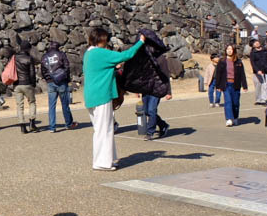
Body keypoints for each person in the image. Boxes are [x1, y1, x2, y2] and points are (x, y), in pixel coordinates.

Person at [83, 28, 146, 170]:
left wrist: (112, 67)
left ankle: (109, 159)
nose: (107, 42)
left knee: (102, 129)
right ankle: (102, 162)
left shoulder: (88, 53)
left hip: (91, 95)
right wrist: (141, 42)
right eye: (105, 39)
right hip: (101, 95)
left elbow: (99, 69)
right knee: (104, 130)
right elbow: (127, 55)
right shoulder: (100, 52)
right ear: (100, 40)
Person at [41, 41, 78, 133]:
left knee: (51, 106)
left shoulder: (44, 56)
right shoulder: (61, 54)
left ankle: (52, 127)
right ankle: (68, 124)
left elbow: (43, 71)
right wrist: (66, 78)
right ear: (57, 47)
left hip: (50, 83)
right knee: (65, 104)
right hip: (61, 82)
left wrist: (48, 79)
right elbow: (67, 67)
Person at [213, 44, 248, 126]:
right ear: (225, 50)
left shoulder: (238, 61)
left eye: (231, 49)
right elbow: (218, 74)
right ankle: (229, 119)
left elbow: (242, 74)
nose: (229, 50)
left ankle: (235, 117)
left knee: (235, 103)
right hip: (226, 84)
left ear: (234, 50)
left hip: (236, 84)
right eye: (228, 49)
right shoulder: (222, 61)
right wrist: (218, 86)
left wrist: (245, 86)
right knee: (228, 101)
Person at [140, 53, 172, 141]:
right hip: (146, 89)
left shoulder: (161, 58)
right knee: (146, 111)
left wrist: (169, 91)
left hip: (157, 88)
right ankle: (163, 125)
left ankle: (150, 133)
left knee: (151, 110)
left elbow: (166, 75)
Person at [14, 40, 39, 133]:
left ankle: (22, 126)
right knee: (32, 102)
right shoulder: (29, 58)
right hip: (27, 83)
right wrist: (33, 84)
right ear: (28, 49)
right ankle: (32, 123)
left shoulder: (14, 58)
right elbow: (32, 73)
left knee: (19, 106)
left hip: (17, 84)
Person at [250, 39, 267, 105]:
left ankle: (264, 99)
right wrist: (257, 70)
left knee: (266, 85)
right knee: (258, 85)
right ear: (252, 45)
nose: (257, 43)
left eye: (257, 42)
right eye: (255, 43)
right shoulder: (253, 53)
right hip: (258, 71)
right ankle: (258, 99)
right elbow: (253, 63)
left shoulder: (265, 50)